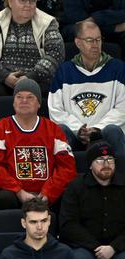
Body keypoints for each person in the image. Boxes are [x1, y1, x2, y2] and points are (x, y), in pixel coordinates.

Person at [0, 79, 76, 208]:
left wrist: (48, 192)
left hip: (46, 194)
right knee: (3, 198)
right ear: (13, 102)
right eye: (19, 97)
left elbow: (67, 168)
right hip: (12, 193)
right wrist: (18, 191)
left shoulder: (54, 130)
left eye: (30, 97)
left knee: (69, 197)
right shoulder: (0, 128)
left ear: (39, 104)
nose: (24, 101)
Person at [49, 20, 125, 157]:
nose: (95, 45)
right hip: (75, 135)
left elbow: (123, 108)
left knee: (114, 130)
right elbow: (55, 109)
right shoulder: (64, 71)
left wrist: (97, 129)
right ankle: (63, 177)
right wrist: (78, 129)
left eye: (98, 40)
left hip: (105, 135)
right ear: (78, 43)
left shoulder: (118, 68)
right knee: (60, 130)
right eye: (90, 40)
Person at [0, 0, 64, 98]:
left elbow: (56, 54)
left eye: (32, 1)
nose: (28, 4)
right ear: (10, 2)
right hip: (0, 76)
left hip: (37, 77)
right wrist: (4, 76)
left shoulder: (47, 22)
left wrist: (30, 77)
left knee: (43, 92)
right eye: (22, 0)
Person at [61, 141, 125, 259]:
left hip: (119, 247)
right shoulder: (76, 187)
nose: (106, 164)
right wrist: (96, 247)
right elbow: (68, 224)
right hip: (86, 247)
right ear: (90, 165)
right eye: (100, 160)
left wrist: (113, 247)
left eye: (110, 160)